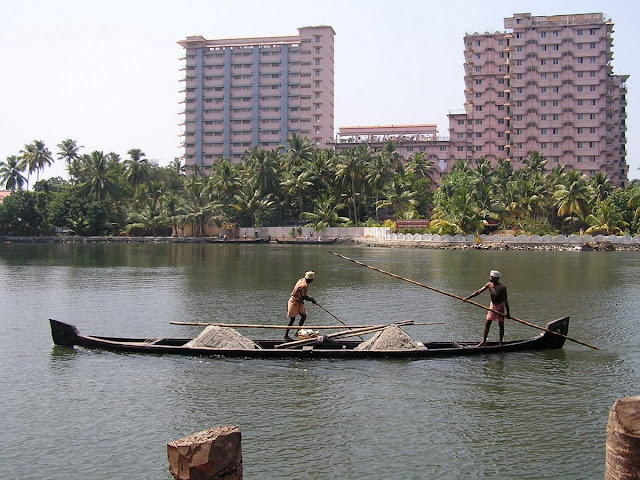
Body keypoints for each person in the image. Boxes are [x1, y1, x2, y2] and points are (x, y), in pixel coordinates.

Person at [464, 270, 511, 347]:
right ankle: (483, 341)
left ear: (496, 278)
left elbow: (505, 300)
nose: (490, 278)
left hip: (500, 306)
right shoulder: (489, 284)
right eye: (490, 276)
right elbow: (479, 291)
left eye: (491, 277)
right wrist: (468, 298)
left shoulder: (502, 287)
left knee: (501, 324)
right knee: (488, 322)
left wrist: (508, 313)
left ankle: (500, 343)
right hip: (492, 305)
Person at [284, 271, 316, 341]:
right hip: (294, 301)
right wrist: (312, 300)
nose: (312, 281)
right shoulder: (304, 285)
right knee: (292, 319)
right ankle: (286, 335)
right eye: (312, 279)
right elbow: (305, 296)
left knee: (303, 316)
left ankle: (298, 332)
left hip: (299, 302)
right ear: (309, 279)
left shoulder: (302, 280)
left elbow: (302, 295)